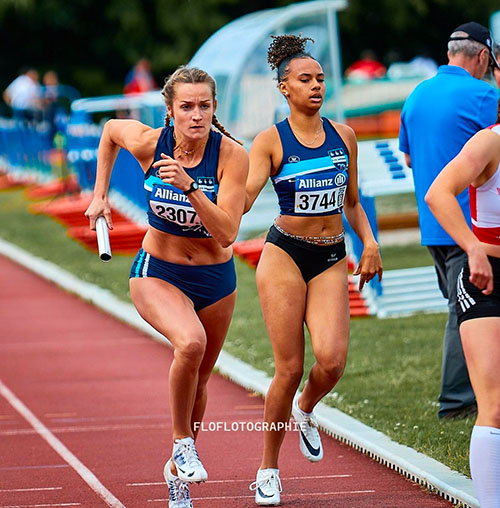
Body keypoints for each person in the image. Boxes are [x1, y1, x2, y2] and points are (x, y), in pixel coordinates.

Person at [85, 65, 248, 508]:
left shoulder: (232, 156)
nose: (196, 115)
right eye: (187, 106)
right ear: (170, 110)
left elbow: (228, 232)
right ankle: (182, 443)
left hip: (216, 279)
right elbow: (110, 130)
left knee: (200, 380)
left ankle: (177, 472)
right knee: (190, 345)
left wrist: (191, 188)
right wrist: (99, 194)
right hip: (158, 269)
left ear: (214, 109)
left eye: (204, 106)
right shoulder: (149, 143)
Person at [245, 34, 383, 506]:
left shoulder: (345, 136)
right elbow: (240, 202)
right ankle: (267, 469)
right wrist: (199, 190)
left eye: (321, 78)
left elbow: (352, 202)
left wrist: (370, 241)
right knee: (289, 367)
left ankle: (306, 409)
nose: (317, 86)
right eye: (305, 79)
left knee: (333, 361)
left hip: (330, 256)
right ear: (284, 88)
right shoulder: (270, 141)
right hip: (284, 255)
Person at [399, 21, 499, 420]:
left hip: (432, 225)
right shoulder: (483, 96)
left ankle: (468, 397)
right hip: (472, 226)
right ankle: (457, 403)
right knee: (468, 312)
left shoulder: (416, 95)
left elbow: (408, 157)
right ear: (482, 57)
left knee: (459, 307)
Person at [425, 124, 500, 508]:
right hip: (488, 280)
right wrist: (472, 248)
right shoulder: (490, 141)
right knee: (495, 404)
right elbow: (438, 193)